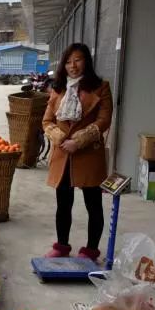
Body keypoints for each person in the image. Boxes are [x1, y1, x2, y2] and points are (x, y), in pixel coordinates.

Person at [42, 43, 113, 261]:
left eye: (78, 60)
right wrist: (60, 138)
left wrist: (79, 140)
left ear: (86, 62)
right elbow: (47, 120)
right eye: (68, 61)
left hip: (88, 153)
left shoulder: (101, 87)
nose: (73, 65)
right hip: (63, 153)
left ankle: (91, 250)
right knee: (63, 203)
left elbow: (104, 120)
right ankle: (62, 245)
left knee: (93, 204)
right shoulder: (58, 88)